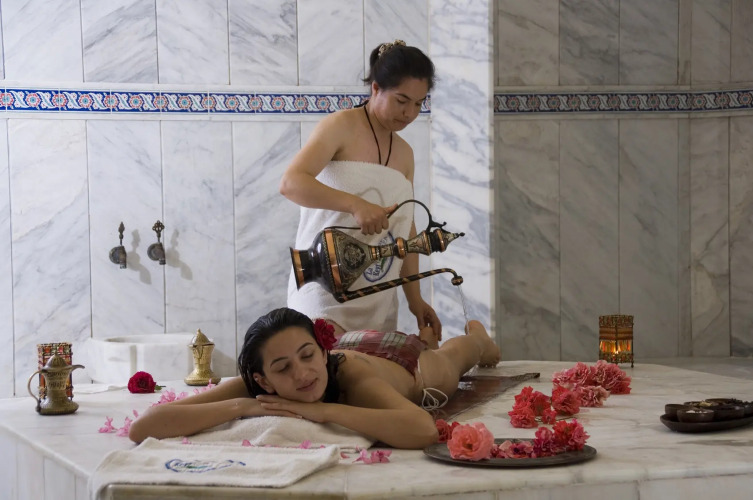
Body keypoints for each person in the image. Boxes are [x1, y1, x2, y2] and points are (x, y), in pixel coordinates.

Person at [128, 307, 501, 450]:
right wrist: (242, 406)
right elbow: (143, 427)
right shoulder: (257, 385)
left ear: (322, 353)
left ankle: (478, 338)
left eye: (307, 357)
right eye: (283, 368)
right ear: (264, 380)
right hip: (348, 342)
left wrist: (324, 411)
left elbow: (422, 429)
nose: (302, 374)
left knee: (450, 362)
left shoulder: (350, 375)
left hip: (399, 362)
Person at [280, 40, 442, 340]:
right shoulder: (341, 126)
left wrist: (415, 300)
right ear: (376, 89)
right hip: (323, 289)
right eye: (402, 100)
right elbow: (291, 183)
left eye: (419, 104)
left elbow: (405, 229)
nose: (409, 113)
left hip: (377, 297)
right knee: (331, 363)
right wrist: (355, 205)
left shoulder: (405, 153)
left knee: (375, 367)